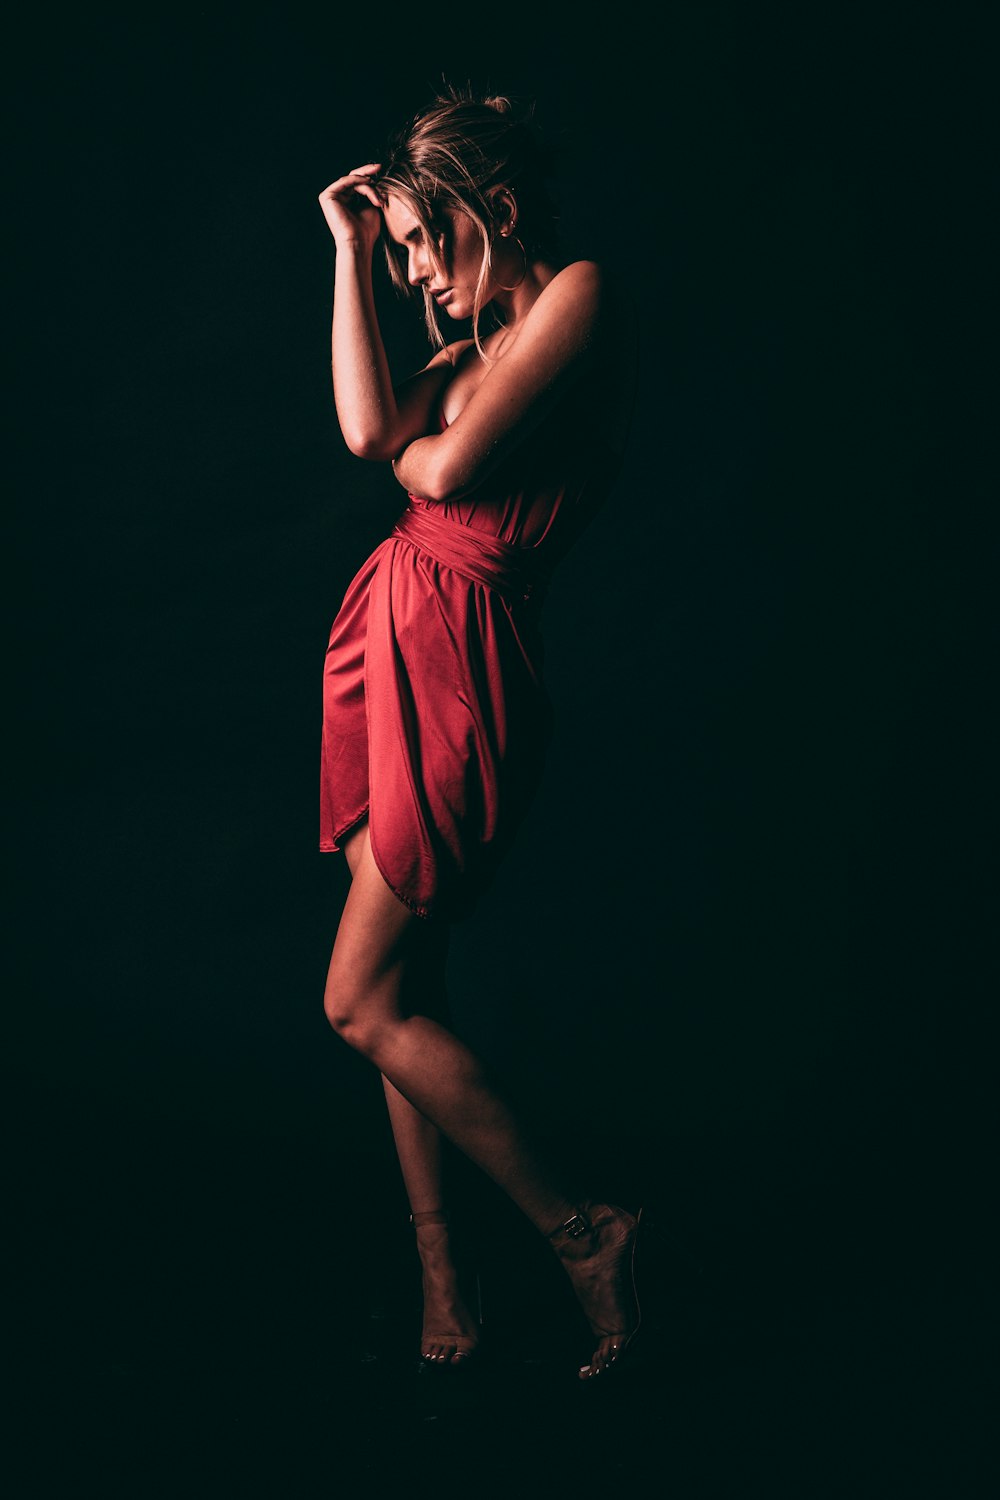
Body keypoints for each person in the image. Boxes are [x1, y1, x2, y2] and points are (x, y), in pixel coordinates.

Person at [316, 87, 639, 1380]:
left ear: (495, 214)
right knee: (407, 993)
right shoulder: (464, 351)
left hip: (461, 667)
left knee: (355, 999)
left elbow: (433, 474)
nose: (411, 274)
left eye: (417, 241)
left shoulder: (577, 294)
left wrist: (416, 452)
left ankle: (586, 1231)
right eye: (390, 250)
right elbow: (363, 429)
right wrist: (343, 246)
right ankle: (444, 1278)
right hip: (383, 645)